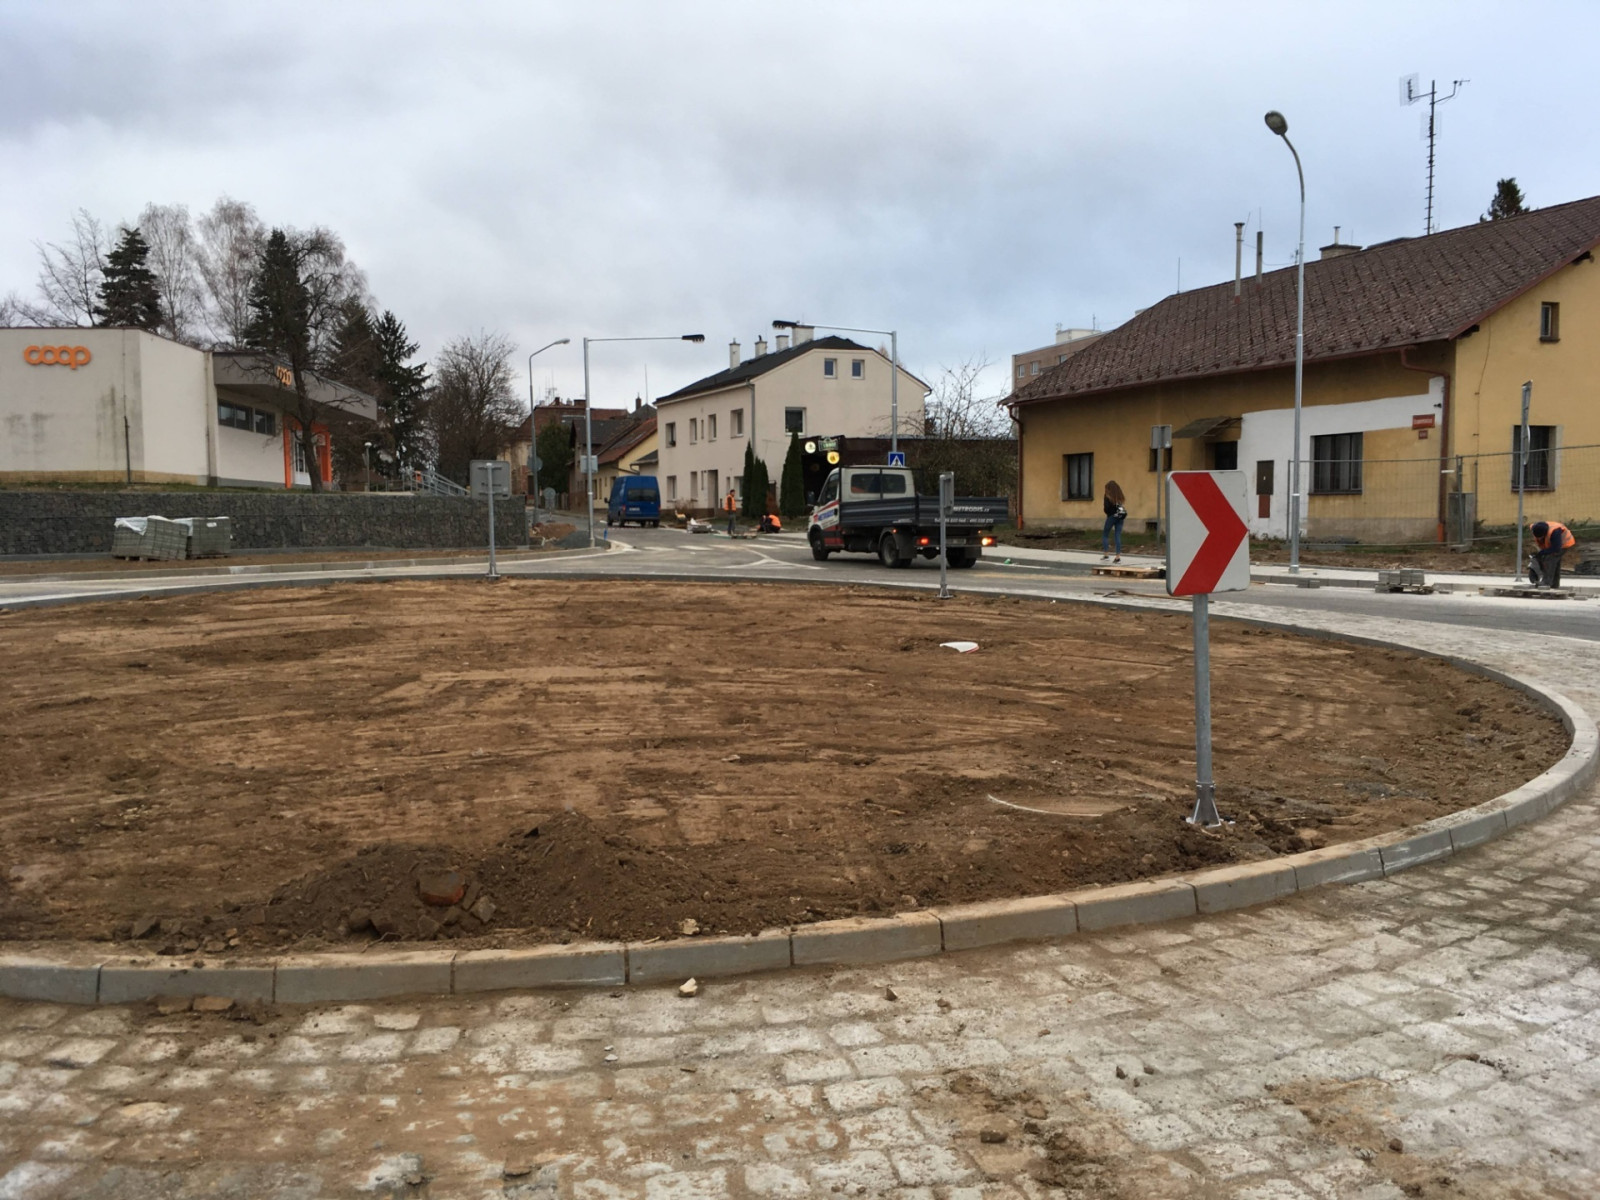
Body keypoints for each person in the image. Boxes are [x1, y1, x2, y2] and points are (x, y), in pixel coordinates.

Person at [1529, 520, 1577, 588]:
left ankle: (1546, 582)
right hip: (1552, 544)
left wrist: (1542, 553)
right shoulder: (1534, 527)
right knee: (1554, 562)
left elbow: (1555, 548)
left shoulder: (1555, 532)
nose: (1539, 539)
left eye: (1541, 537)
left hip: (1564, 544)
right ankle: (1554, 584)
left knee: (1550, 559)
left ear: (1545, 533)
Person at [1101, 480, 1127, 563]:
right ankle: (1117, 557)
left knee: (1105, 534)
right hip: (1120, 516)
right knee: (1117, 535)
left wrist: (1109, 513)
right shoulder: (1119, 495)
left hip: (1111, 517)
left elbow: (1106, 508)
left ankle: (1106, 555)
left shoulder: (1107, 496)